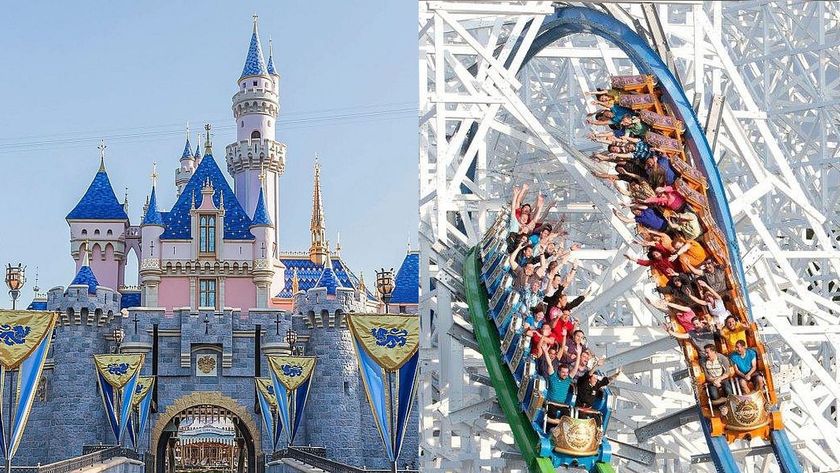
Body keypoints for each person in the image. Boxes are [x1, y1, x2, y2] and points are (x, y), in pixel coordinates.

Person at [701, 344, 733, 413]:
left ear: (713, 352)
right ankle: (722, 407)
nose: (706, 354)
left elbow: (727, 373)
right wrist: (714, 381)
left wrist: (719, 379)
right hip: (712, 380)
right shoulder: (703, 361)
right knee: (714, 395)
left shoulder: (722, 358)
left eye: (707, 352)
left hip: (722, 378)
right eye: (705, 352)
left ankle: (730, 405)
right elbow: (707, 375)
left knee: (728, 390)